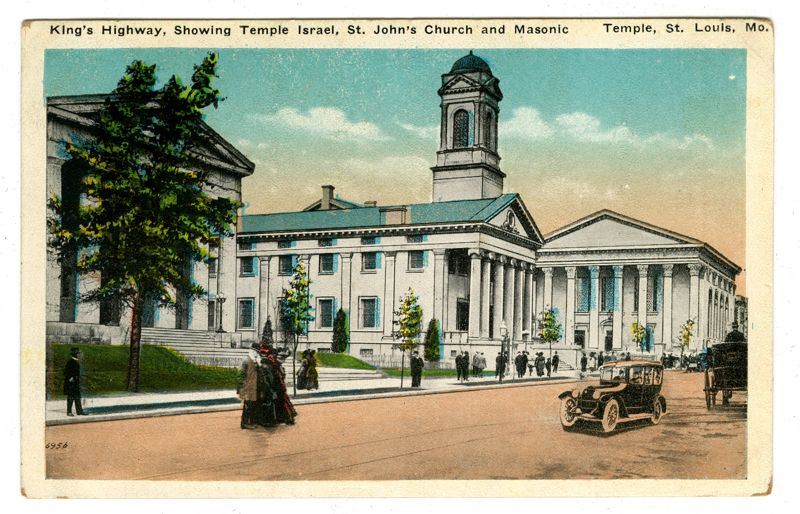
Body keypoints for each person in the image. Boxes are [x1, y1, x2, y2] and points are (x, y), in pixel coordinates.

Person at [261, 344, 297, 425]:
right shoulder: (273, 362)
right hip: (278, 384)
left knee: (282, 401)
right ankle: (284, 417)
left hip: (278, 384)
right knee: (281, 401)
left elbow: (276, 375)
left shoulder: (274, 362)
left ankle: (287, 418)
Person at [238, 343, 260, 429]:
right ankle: (244, 423)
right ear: (252, 350)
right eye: (256, 351)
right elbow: (240, 375)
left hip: (253, 387)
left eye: (257, 352)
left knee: (252, 406)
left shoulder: (255, 361)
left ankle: (250, 422)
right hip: (247, 387)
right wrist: (241, 388)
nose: (257, 353)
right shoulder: (246, 360)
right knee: (247, 406)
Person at [63, 347, 86, 416]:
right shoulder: (70, 361)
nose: (79, 354)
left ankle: (79, 411)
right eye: (78, 353)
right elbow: (66, 372)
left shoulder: (76, 361)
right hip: (71, 383)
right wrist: (70, 378)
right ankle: (69, 412)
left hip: (76, 383)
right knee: (70, 397)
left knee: (77, 397)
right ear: (75, 354)